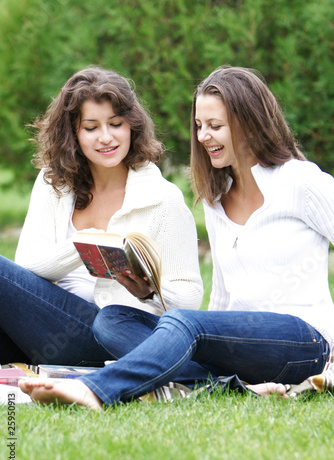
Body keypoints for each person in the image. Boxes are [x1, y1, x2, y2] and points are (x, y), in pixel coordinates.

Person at [20, 65, 334, 409]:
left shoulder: (301, 183)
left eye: (214, 126)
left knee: (184, 322)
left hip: (303, 339)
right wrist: (150, 291)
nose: (202, 136)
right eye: (199, 126)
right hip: (242, 347)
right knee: (113, 320)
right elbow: (222, 295)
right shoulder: (218, 197)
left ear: (250, 123)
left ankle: (95, 389)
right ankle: (221, 385)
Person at [0, 66, 204, 368]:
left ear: (131, 126)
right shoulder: (53, 183)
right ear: (73, 133)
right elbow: (27, 266)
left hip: (111, 335)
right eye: (91, 128)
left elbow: (191, 297)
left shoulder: (163, 198)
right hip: (47, 327)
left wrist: (149, 292)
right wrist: (83, 245)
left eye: (115, 123)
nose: (106, 137)